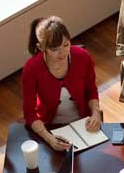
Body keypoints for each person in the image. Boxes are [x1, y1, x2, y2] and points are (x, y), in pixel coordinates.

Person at [22, 16, 102, 151]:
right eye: (54, 49)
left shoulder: (83, 57)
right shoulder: (31, 69)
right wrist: (49, 139)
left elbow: (91, 91)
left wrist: (96, 112)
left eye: (66, 45)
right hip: (50, 128)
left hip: (84, 124)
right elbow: (29, 113)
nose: (63, 53)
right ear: (41, 47)